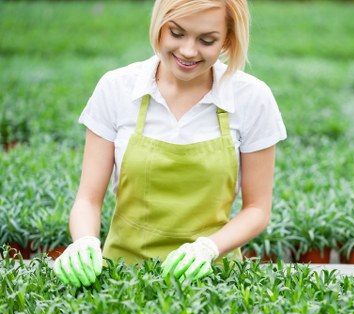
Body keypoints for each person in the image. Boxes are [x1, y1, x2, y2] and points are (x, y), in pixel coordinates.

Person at [53, 0, 287, 287]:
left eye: (207, 40)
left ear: (227, 38)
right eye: (177, 33)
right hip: (122, 278)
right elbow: (88, 199)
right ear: (159, 26)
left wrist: (208, 248)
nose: (188, 51)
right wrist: (85, 241)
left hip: (214, 280)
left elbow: (257, 210)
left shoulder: (252, 98)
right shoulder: (117, 88)